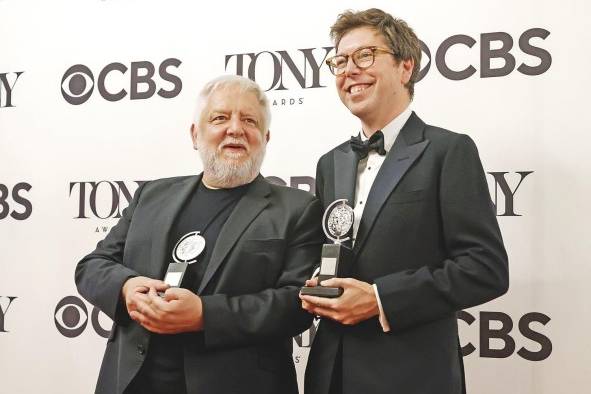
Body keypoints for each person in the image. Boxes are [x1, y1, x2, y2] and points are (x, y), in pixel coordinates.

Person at [300, 8, 509, 394]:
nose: (349, 70)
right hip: (330, 372)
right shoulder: (331, 162)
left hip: (412, 374)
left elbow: (485, 268)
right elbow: (334, 251)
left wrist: (381, 299)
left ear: (405, 67)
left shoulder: (448, 151)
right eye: (340, 61)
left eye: (365, 56)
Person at [75, 75, 323, 394]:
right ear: (196, 134)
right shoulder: (151, 196)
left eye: (249, 120)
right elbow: (93, 265)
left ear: (265, 137)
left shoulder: (298, 208)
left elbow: (296, 303)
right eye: (220, 118)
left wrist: (205, 315)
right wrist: (126, 287)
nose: (235, 128)